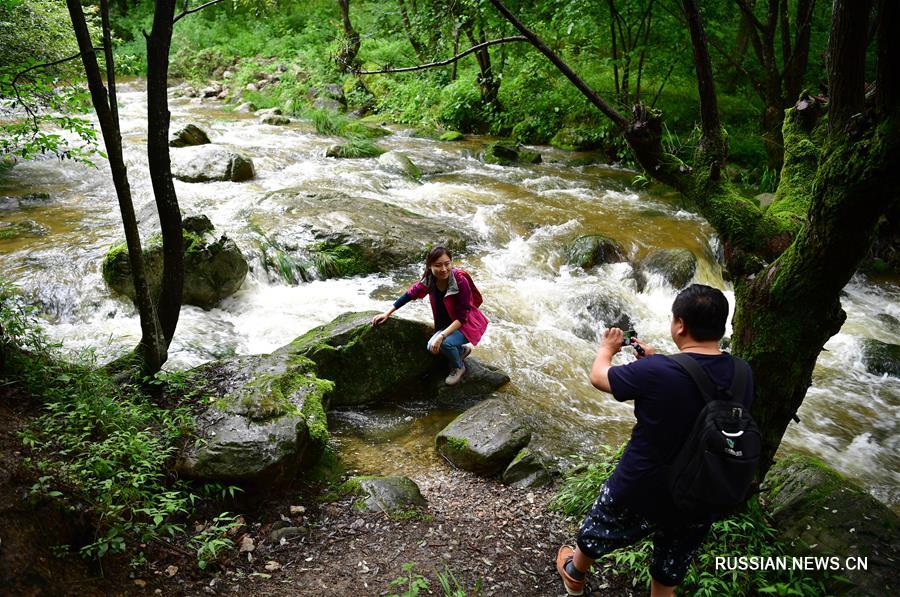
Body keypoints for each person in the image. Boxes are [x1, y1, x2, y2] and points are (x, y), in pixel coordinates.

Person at [556, 284, 755, 596]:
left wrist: (607, 348)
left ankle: (575, 573)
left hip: (644, 484)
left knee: (600, 529)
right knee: (671, 563)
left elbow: (599, 377)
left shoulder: (657, 371)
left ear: (680, 325)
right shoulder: (742, 372)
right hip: (701, 490)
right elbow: (702, 395)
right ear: (721, 326)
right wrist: (656, 361)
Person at [372, 246, 488, 385]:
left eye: (447, 263)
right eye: (438, 265)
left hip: (466, 324)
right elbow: (410, 294)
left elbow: (462, 318)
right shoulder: (430, 280)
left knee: (444, 343)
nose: (444, 269)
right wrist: (387, 313)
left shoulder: (460, 282)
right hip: (448, 323)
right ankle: (462, 350)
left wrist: (441, 336)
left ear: (451, 262)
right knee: (431, 347)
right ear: (429, 266)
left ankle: (459, 367)